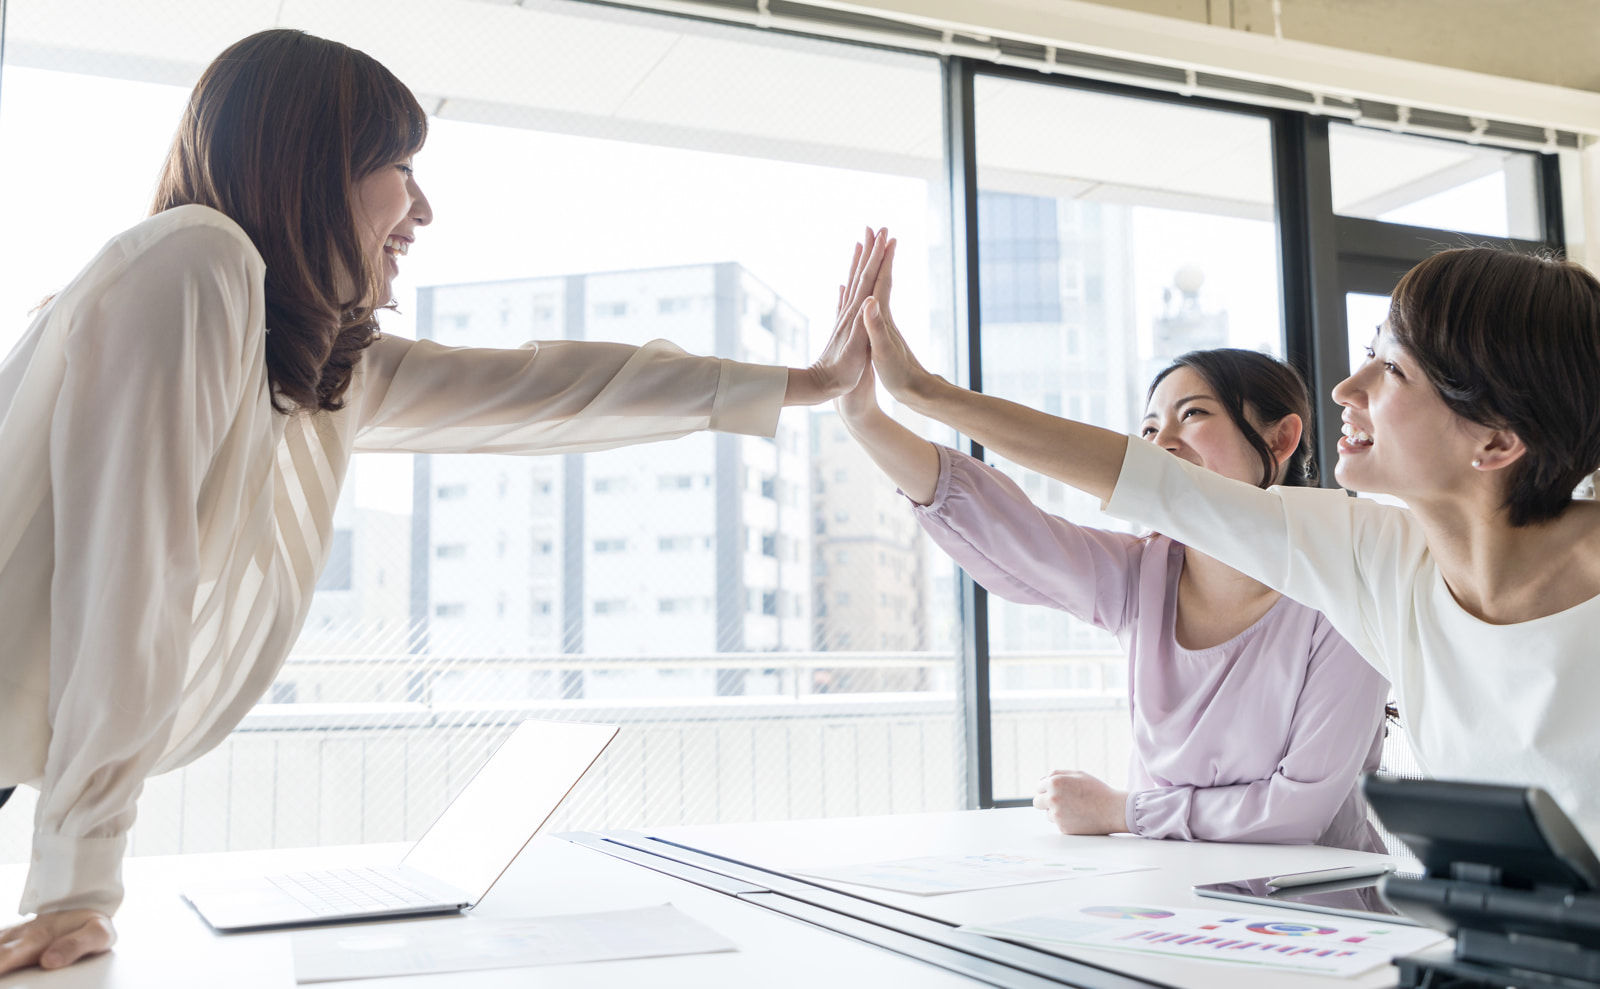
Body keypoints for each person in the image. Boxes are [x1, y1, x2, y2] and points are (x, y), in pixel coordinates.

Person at [0, 29, 889, 974]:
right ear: (306, 167)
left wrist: (808, 380)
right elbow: (128, 582)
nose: (422, 207)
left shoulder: (308, 355)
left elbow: (549, 388)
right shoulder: (194, 262)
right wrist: (75, 890)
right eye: (397, 166)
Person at [856, 244, 1600, 850]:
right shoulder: (1372, 556)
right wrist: (923, 393)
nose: (1346, 387)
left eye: (1395, 369)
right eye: (1372, 354)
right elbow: (1147, 484)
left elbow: (1297, 812)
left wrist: (1126, 809)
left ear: (1497, 440)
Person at [835, 245, 1389, 851]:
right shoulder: (1143, 575)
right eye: (1149, 428)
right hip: (1173, 901)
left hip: (1317, 919)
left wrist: (1124, 811)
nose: (1161, 443)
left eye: (1193, 414)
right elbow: (1001, 524)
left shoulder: (1344, 585)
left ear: (1281, 438)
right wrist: (866, 418)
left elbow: (1294, 815)